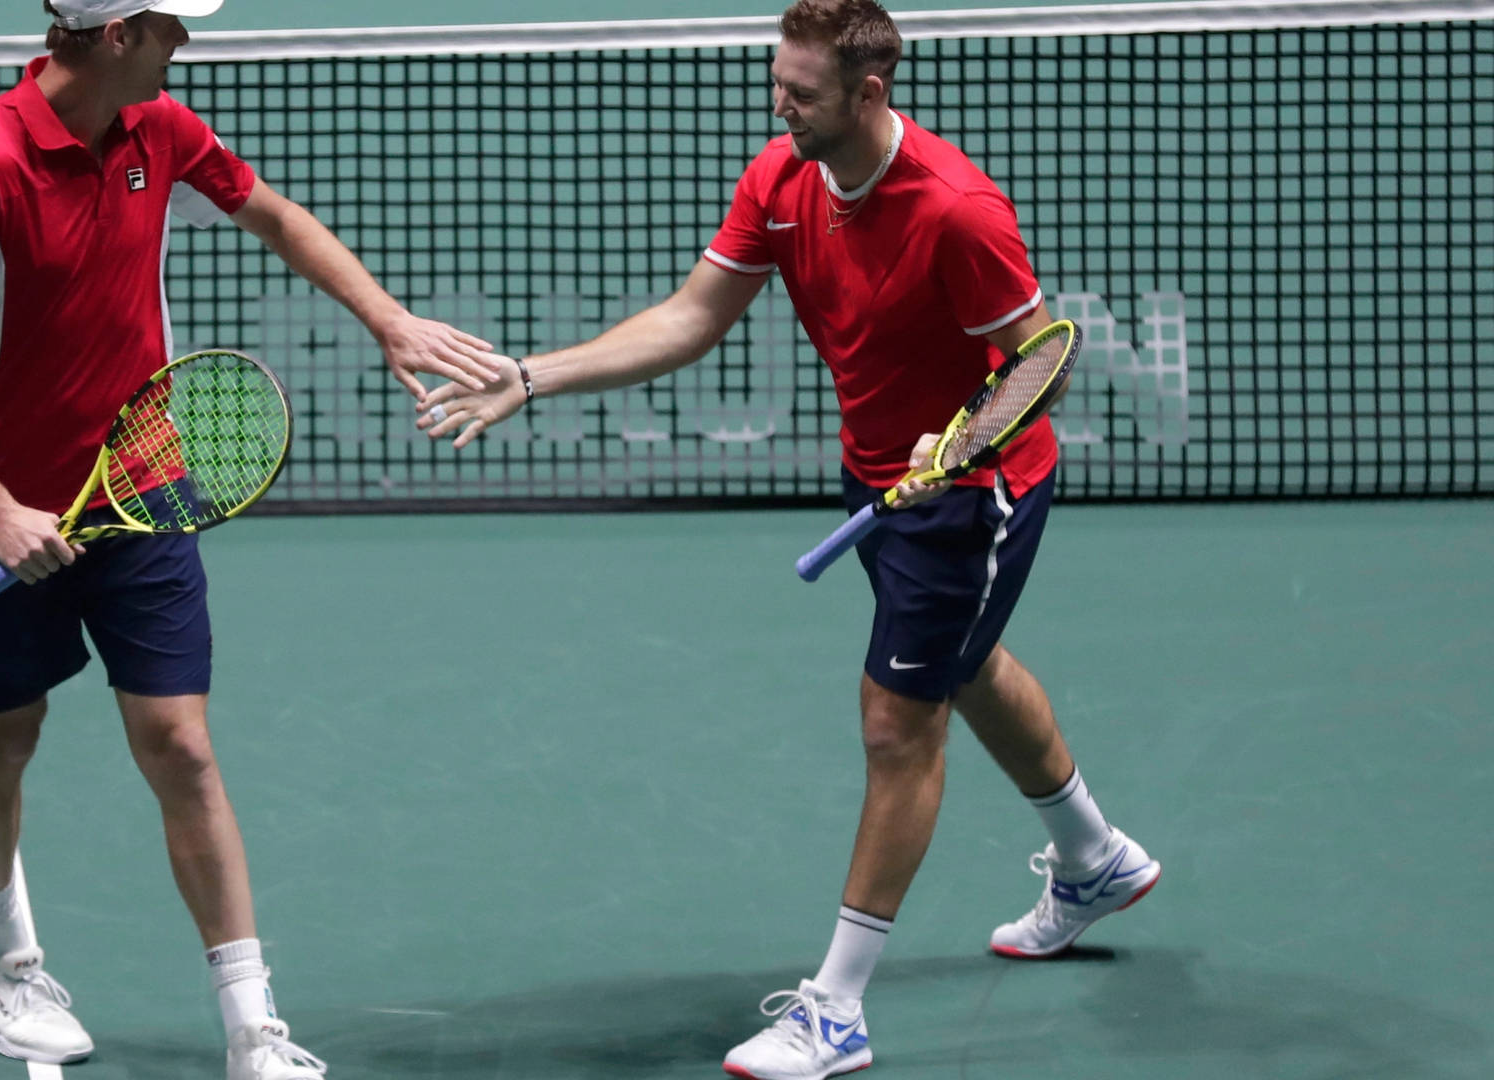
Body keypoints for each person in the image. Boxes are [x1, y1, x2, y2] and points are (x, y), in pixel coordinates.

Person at [415, 1, 1159, 1075]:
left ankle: (836, 1009)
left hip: (970, 491)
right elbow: (693, 315)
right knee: (965, 664)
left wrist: (957, 447)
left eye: (800, 93)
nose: (780, 105)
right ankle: (1097, 859)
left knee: (899, 721)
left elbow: (1037, 363)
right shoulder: (782, 178)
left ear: (868, 93)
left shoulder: (958, 213)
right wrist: (533, 377)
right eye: (778, 82)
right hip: (879, 477)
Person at [0, 0, 498, 1075]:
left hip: (139, 487)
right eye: (171, 23)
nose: (187, 40)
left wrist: (384, 314)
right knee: (4, 740)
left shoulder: (158, 130)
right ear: (114, 34)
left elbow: (274, 213)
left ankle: (254, 1025)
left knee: (183, 745)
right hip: (9, 510)